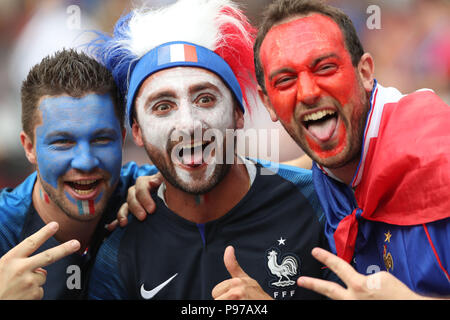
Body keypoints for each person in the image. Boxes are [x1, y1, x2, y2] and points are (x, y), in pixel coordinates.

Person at [88, 0, 335, 300]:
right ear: (137, 131)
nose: (189, 125)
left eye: (205, 99)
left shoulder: (319, 204)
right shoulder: (120, 249)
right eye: (163, 107)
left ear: (238, 113)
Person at [253, 0, 450, 298]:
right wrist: (159, 182)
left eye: (326, 68)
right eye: (285, 80)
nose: (307, 93)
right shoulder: (324, 170)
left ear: (366, 72)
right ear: (267, 102)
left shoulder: (439, 156)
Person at [0, 49, 156, 300]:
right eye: (63, 142)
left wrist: (169, 190)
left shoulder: (148, 188)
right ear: (29, 147)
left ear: (122, 139)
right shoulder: (5, 230)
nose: (86, 162)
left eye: (102, 139)